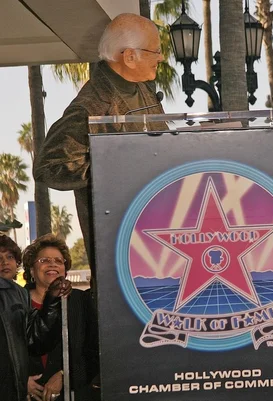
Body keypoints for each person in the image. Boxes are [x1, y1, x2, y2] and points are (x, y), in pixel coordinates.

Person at [33, 13, 169, 274]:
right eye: (156, 51)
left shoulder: (144, 91)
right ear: (129, 56)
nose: (160, 57)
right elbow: (48, 167)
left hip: (158, 230)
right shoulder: (91, 106)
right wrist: (111, 167)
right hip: (119, 245)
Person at [22, 234, 99, 401]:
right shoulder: (16, 302)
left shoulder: (81, 301)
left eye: (58, 261)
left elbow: (94, 353)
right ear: (31, 269)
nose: (52, 264)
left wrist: (66, 375)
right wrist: (19, 380)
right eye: (44, 261)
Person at [0, 236, 71, 401]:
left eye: (10, 257)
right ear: (31, 269)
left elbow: (34, 341)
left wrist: (52, 301)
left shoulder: (18, 294)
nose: (4, 262)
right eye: (44, 260)